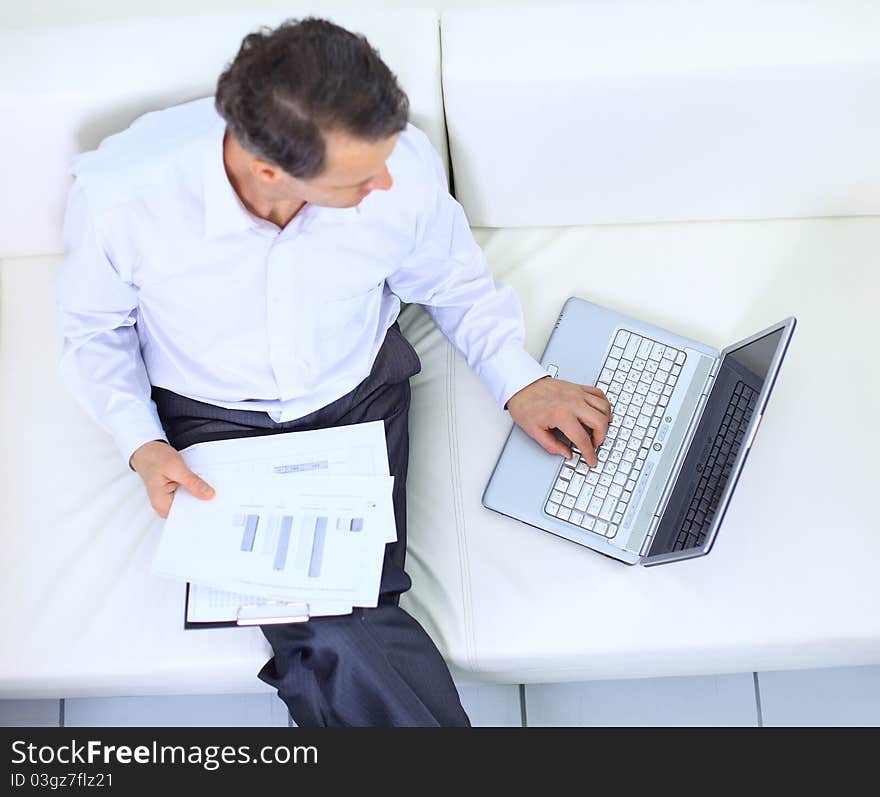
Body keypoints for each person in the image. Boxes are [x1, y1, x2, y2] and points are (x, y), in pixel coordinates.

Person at [51, 17, 611, 727]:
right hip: (214, 418)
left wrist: (521, 380)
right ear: (269, 172)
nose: (387, 181)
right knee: (336, 625)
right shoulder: (123, 198)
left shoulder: (397, 164)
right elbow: (92, 331)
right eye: (358, 178)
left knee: (331, 627)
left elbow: (454, 280)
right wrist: (142, 443)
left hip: (358, 396)